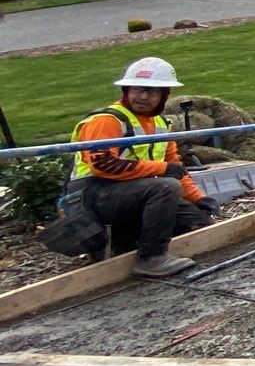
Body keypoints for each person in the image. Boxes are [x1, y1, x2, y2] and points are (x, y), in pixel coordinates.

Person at [70, 57, 214, 277]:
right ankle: (150, 257)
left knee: (199, 224)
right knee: (165, 187)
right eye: (137, 89)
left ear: (164, 95)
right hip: (92, 196)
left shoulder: (160, 124)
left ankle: (126, 244)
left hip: (130, 193)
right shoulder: (107, 120)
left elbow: (174, 167)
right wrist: (160, 170)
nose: (143, 97)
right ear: (126, 90)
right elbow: (102, 165)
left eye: (152, 91)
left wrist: (198, 198)